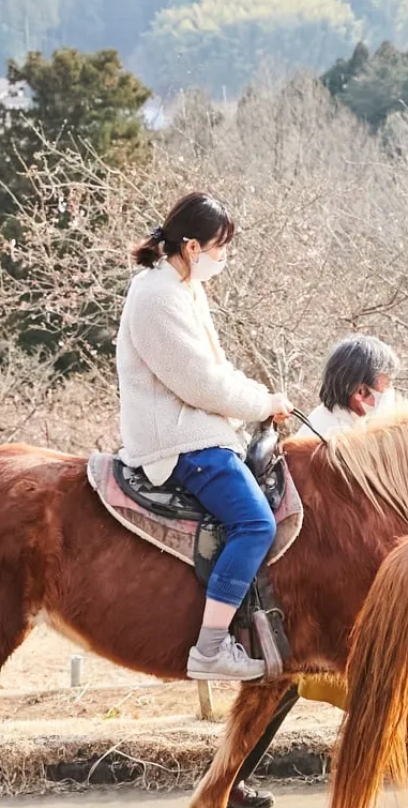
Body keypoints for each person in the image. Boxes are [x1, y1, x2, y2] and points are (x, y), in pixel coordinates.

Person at [225, 335, 408, 808]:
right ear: (361, 394)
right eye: (387, 386)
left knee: (286, 686)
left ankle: (230, 783)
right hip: (322, 595)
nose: (393, 396)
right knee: (392, 683)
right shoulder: (332, 446)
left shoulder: (346, 432)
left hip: (319, 596)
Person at [117, 191, 293, 683]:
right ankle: (211, 648)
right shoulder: (157, 297)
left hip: (199, 430)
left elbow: (217, 368)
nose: (224, 257)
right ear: (193, 247)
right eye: (221, 247)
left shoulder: (184, 287)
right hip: (181, 441)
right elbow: (201, 384)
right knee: (255, 524)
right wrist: (262, 405)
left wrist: (262, 397)